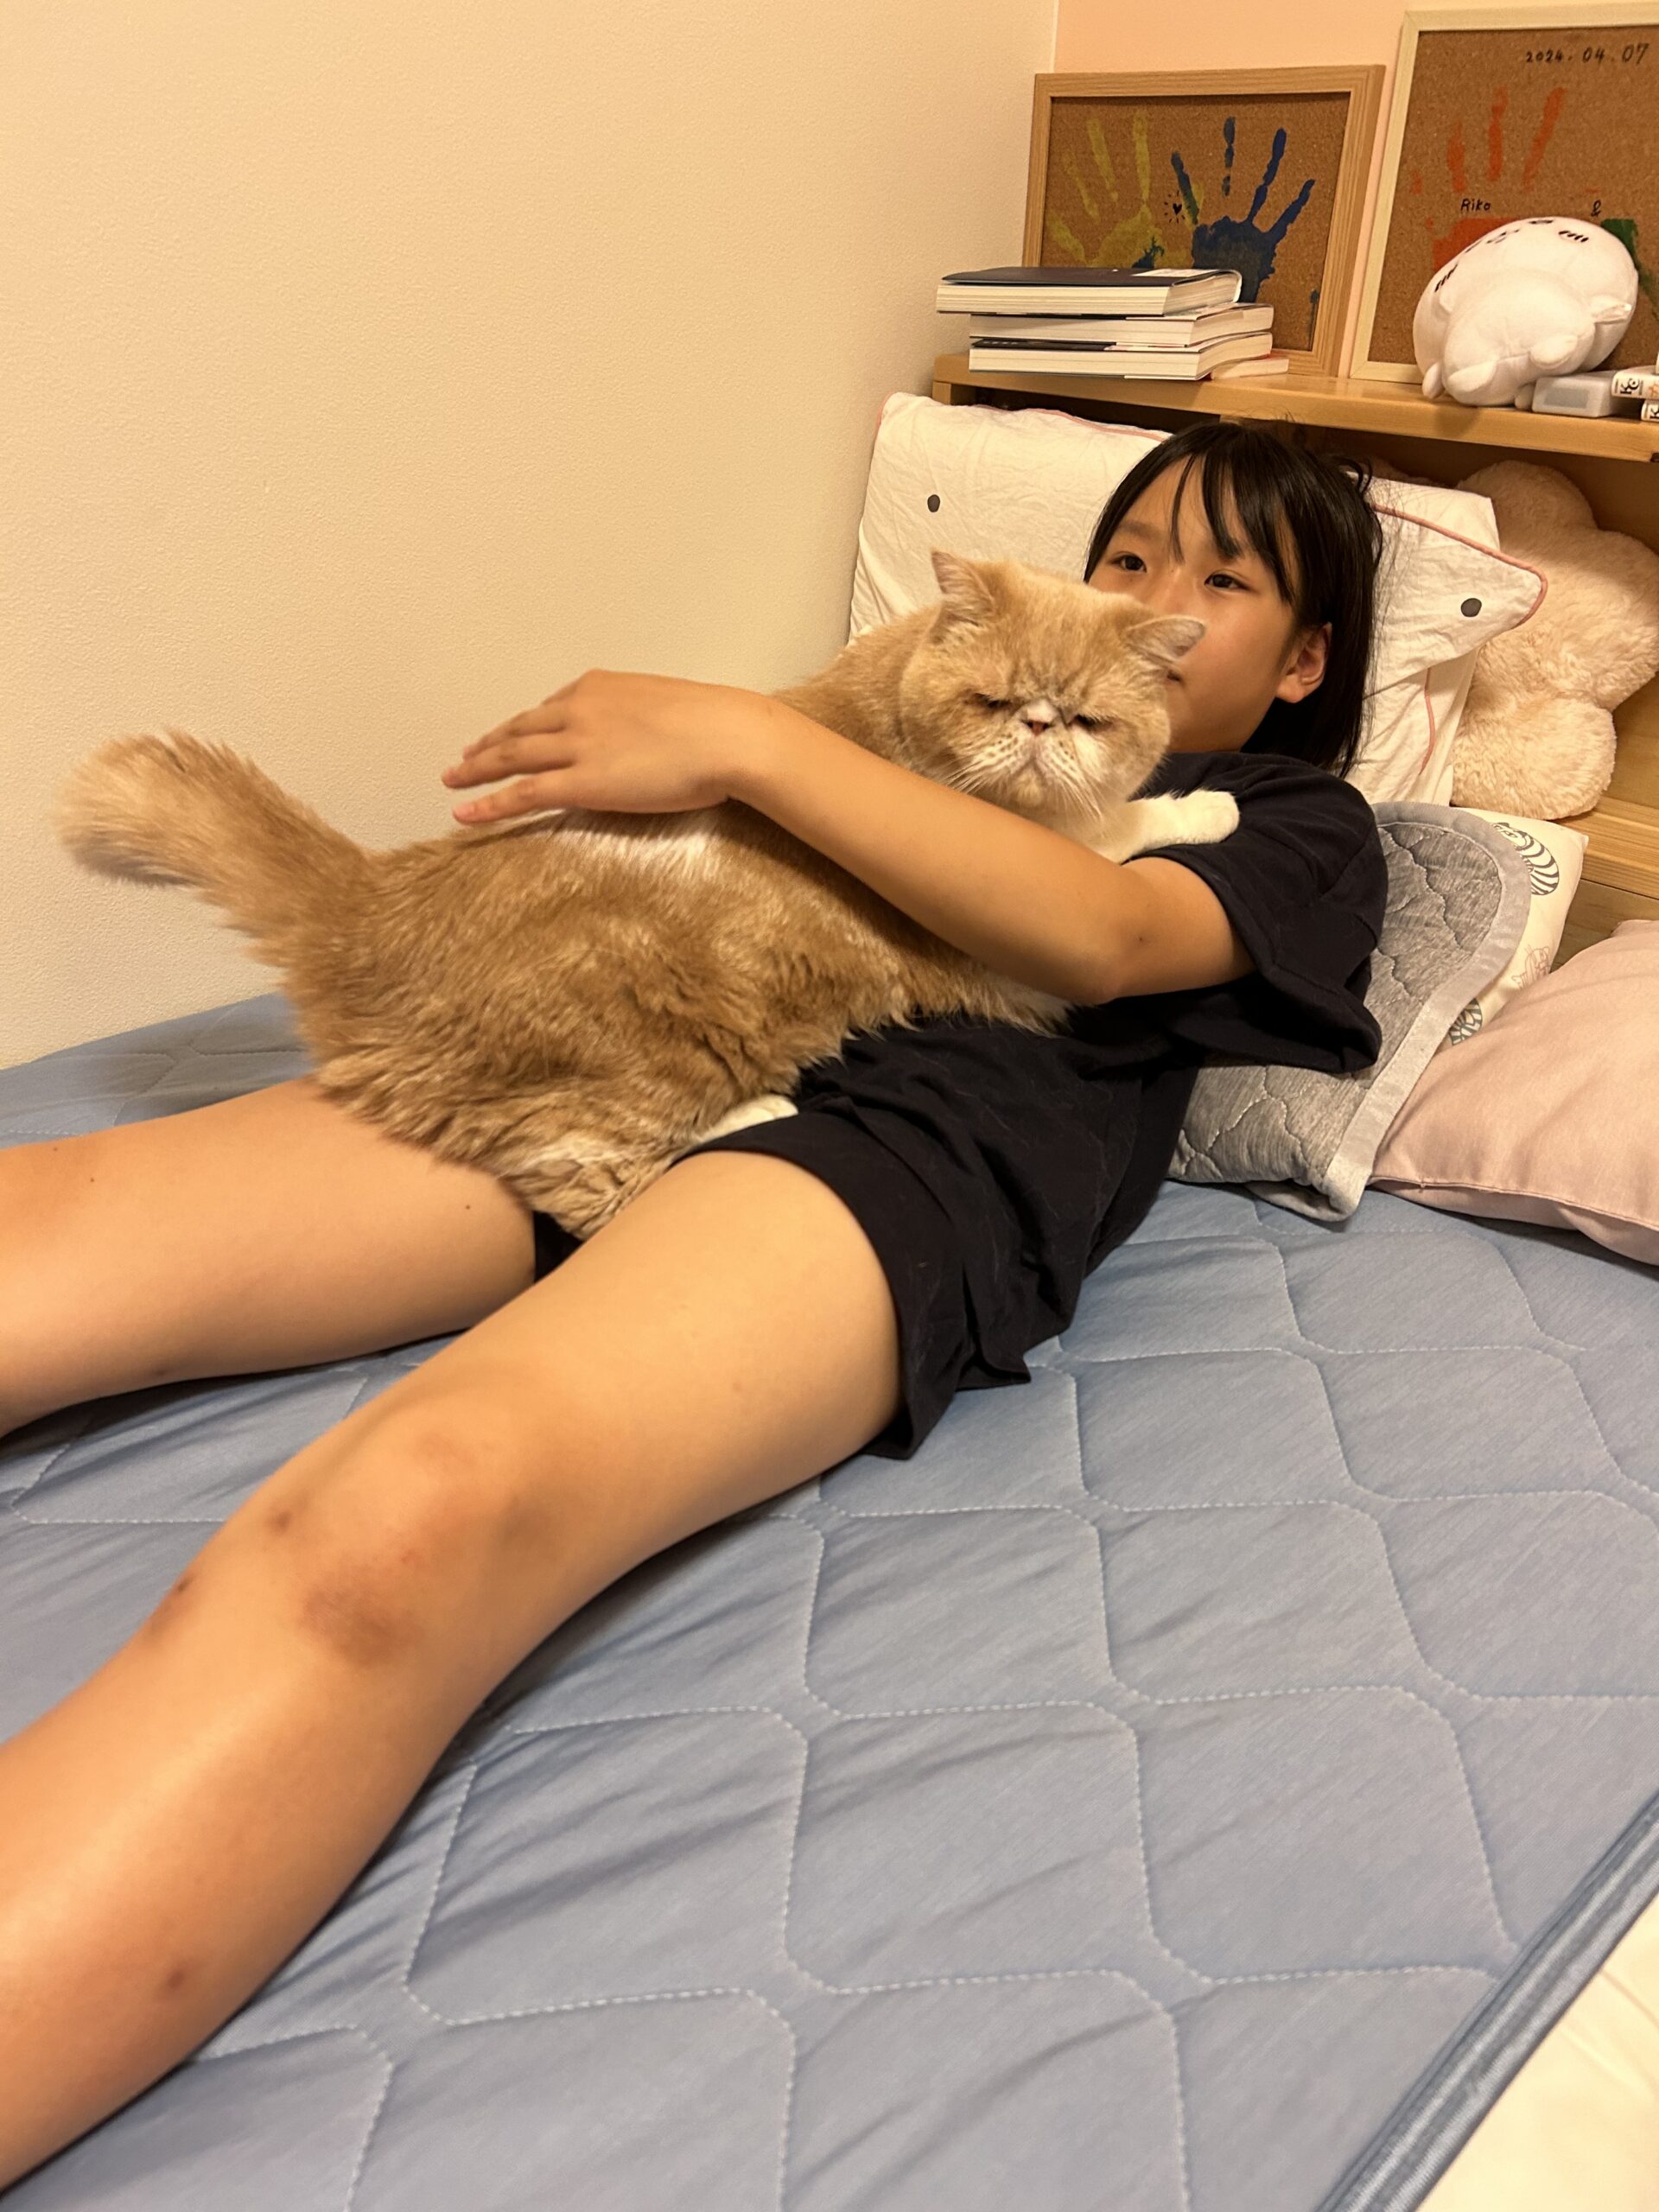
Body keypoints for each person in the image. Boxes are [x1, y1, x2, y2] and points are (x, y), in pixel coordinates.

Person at [0, 416, 1389, 2185]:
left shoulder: (1296, 820)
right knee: (51, 1227)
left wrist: (742, 735)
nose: (1151, 599)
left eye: (1220, 579)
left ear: (1305, 658)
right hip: (644, 1033)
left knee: (408, 1514)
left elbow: (1099, 936)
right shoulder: (920, 716)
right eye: (1126, 557)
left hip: (899, 1142)